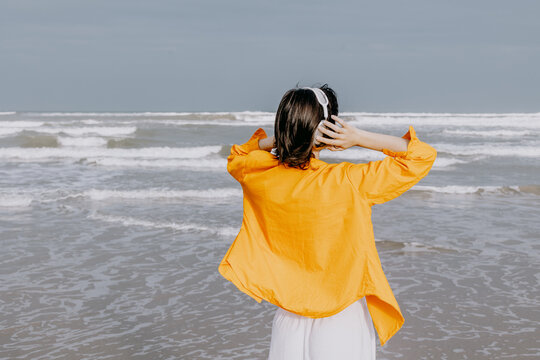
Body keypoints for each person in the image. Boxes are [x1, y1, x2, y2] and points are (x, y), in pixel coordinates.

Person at [218, 85, 437, 359]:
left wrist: (286, 136)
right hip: (343, 316)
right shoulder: (349, 181)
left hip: (289, 316)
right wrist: (357, 137)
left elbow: (237, 154)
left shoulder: (258, 173)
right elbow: (421, 155)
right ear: (328, 127)